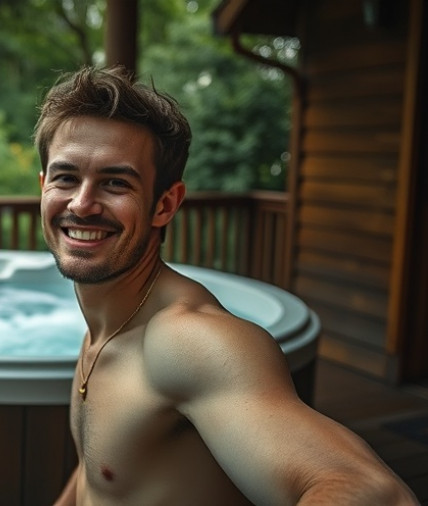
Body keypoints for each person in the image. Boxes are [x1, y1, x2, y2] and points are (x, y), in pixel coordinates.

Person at [34, 66, 418, 505]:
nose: (82, 204)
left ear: (165, 204)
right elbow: (97, 476)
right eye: (66, 177)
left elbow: (372, 492)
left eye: (115, 183)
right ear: (44, 187)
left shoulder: (185, 340)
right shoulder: (107, 321)